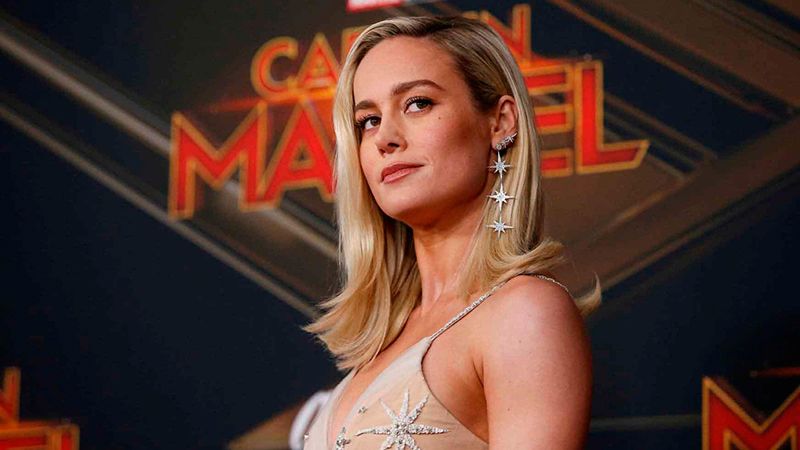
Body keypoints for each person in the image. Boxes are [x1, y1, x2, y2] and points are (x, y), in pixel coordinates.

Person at [301, 15, 599, 450]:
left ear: (500, 122)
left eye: (418, 103)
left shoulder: (524, 313)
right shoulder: (384, 338)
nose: (385, 138)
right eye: (368, 120)